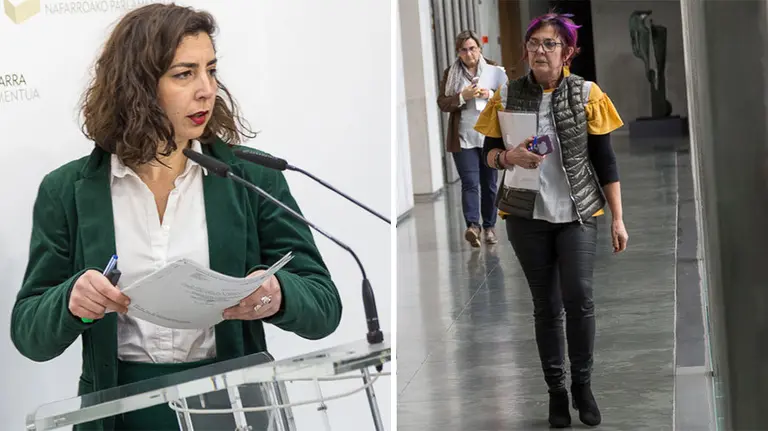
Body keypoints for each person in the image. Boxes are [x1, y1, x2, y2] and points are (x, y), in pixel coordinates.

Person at [9, 4, 342, 430]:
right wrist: (71, 301)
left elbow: (324, 306)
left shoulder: (251, 177)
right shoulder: (66, 190)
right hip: (121, 412)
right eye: (184, 74)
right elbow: (30, 333)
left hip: (234, 409)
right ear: (138, 86)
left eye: (211, 70)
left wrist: (278, 294)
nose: (207, 89)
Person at [474, 12, 629, 428]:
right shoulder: (506, 96)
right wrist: (508, 156)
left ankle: (583, 384)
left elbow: (605, 161)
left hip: (577, 211)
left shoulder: (587, 94)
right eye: (534, 44)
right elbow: (488, 155)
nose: (540, 51)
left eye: (550, 44)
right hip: (526, 215)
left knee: (579, 296)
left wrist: (617, 218)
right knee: (546, 305)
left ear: (568, 53)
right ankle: (556, 392)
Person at [437, 30, 507, 248]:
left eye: (472, 48)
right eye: (464, 50)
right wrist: (462, 97)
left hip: (489, 136)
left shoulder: (494, 69)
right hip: (463, 137)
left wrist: (490, 95)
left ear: (480, 49)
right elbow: (443, 103)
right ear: (458, 52)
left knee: (490, 184)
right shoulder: (451, 73)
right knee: (470, 183)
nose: (469, 53)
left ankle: (489, 227)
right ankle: (473, 227)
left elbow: (507, 95)